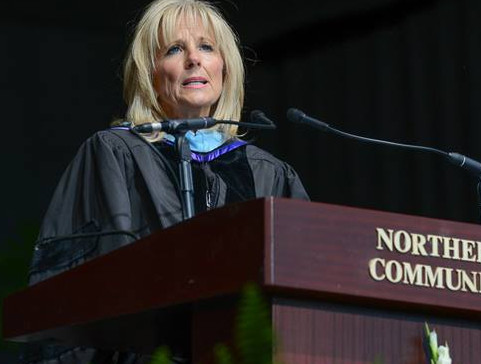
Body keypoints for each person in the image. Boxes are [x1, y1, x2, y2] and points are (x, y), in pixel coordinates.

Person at [22, 0, 308, 363]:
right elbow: (71, 291)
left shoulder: (270, 174)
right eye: (175, 49)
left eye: (207, 47)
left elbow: (301, 299)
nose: (194, 59)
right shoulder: (115, 153)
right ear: (150, 74)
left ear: (225, 68)